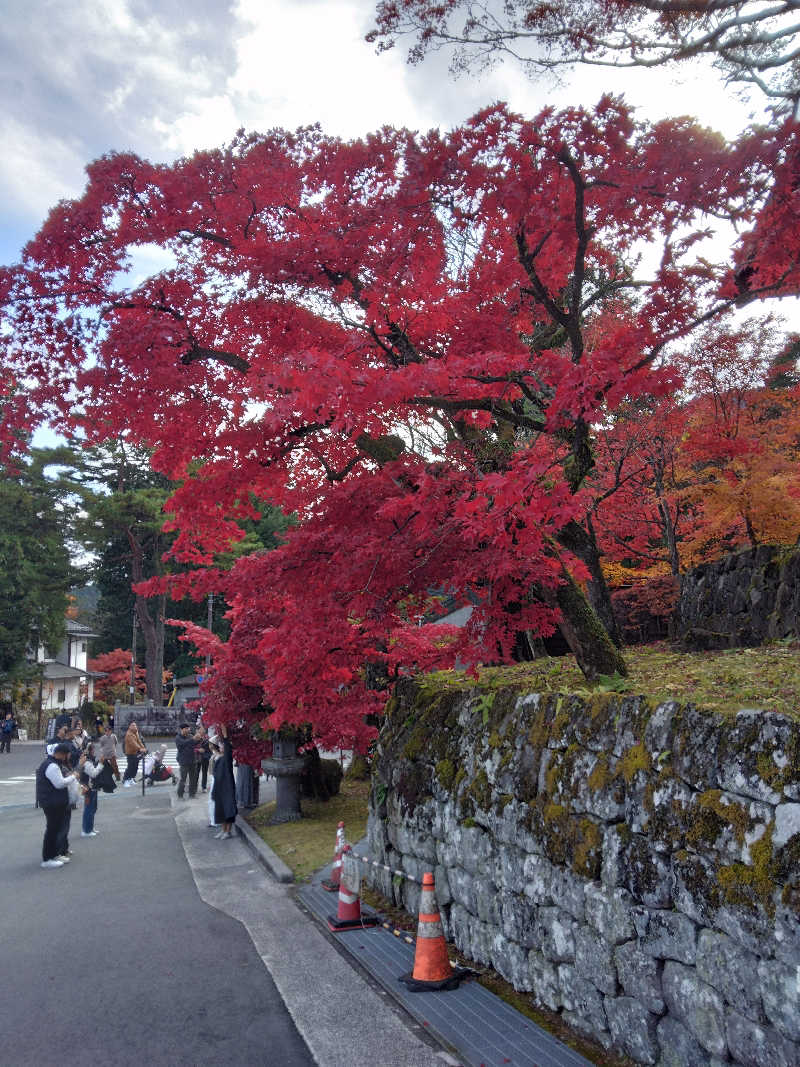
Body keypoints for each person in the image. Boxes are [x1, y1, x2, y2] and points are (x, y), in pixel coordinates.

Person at [36, 742, 80, 868]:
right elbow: (59, 784)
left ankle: (54, 854)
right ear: (62, 754)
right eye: (67, 755)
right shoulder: (52, 766)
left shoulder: (50, 763)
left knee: (55, 829)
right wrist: (73, 777)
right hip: (52, 802)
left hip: (52, 801)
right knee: (52, 830)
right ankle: (47, 858)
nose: (67, 758)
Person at [212, 724, 237, 839]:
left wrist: (225, 735)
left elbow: (227, 748)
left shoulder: (227, 758)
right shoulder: (218, 759)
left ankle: (228, 831)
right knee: (220, 810)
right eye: (220, 745)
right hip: (219, 787)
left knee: (228, 809)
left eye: (222, 746)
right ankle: (223, 830)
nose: (221, 747)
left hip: (227, 787)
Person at [79, 742, 104, 837]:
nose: (94, 751)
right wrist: (101, 764)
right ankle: (86, 830)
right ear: (89, 750)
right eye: (92, 749)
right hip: (88, 788)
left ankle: (90, 828)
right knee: (89, 809)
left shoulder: (88, 759)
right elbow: (93, 773)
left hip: (91, 787)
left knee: (92, 808)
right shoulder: (86, 761)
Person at [175, 723, 201, 799]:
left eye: (188, 728)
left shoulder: (190, 736)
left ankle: (192, 794)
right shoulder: (178, 738)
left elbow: (194, 744)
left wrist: (199, 738)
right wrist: (193, 739)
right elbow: (184, 744)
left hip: (192, 760)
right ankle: (180, 795)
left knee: (193, 778)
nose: (188, 730)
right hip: (183, 761)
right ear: (182, 729)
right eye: (187, 728)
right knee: (183, 779)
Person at [122, 721, 146, 786]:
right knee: (130, 767)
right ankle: (126, 780)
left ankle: (131, 778)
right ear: (129, 727)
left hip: (135, 752)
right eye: (132, 725)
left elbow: (139, 741)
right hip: (130, 753)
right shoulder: (129, 734)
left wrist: (143, 748)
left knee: (135, 766)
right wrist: (140, 749)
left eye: (135, 725)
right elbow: (133, 744)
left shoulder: (136, 732)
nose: (134, 726)